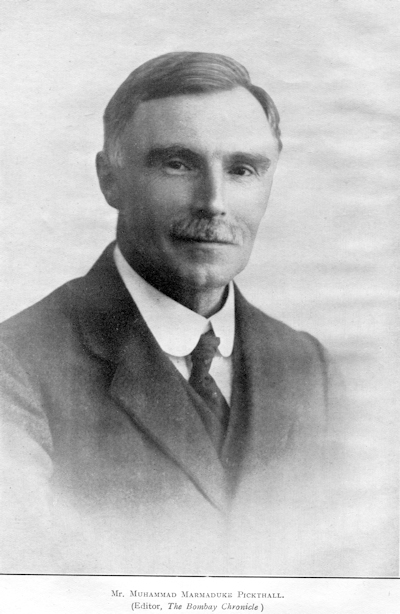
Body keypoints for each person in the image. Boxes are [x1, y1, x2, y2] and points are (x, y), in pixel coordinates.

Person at [0, 52, 345, 575]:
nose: (214, 202)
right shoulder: (17, 367)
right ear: (109, 180)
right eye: (178, 164)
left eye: (242, 169)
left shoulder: (312, 369)